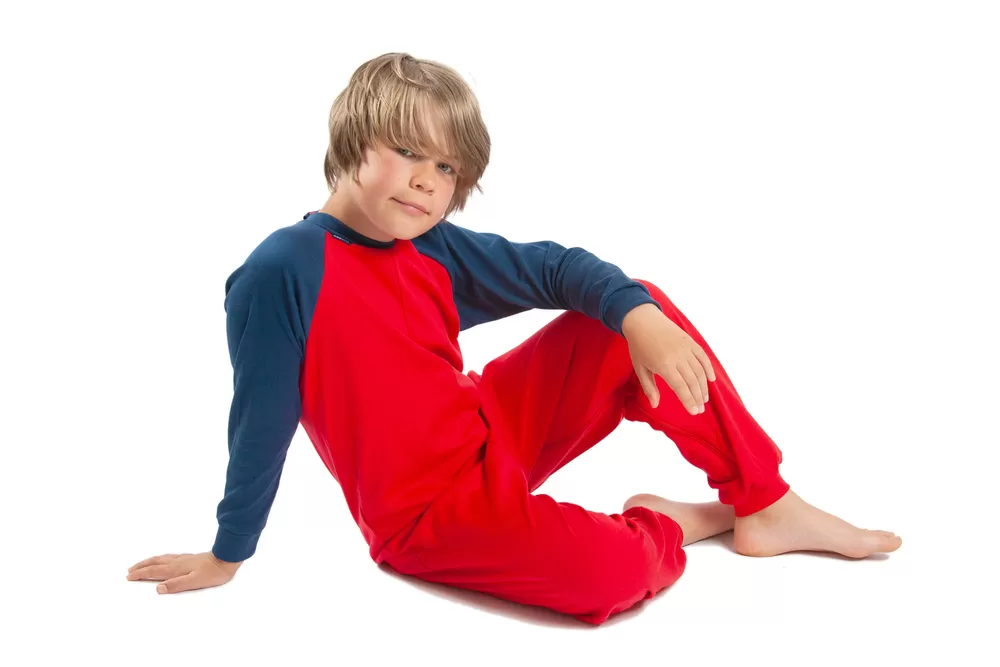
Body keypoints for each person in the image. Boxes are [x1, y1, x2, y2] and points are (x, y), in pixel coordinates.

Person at [126, 52, 901, 625]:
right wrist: (229, 550)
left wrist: (635, 316)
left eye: (446, 167)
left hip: (490, 431)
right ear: (354, 139)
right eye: (408, 151)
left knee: (633, 313)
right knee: (607, 576)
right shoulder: (281, 271)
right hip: (427, 516)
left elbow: (557, 269)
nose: (429, 181)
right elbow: (259, 420)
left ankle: (764, 500)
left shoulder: (428, 245)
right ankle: (678, 521)